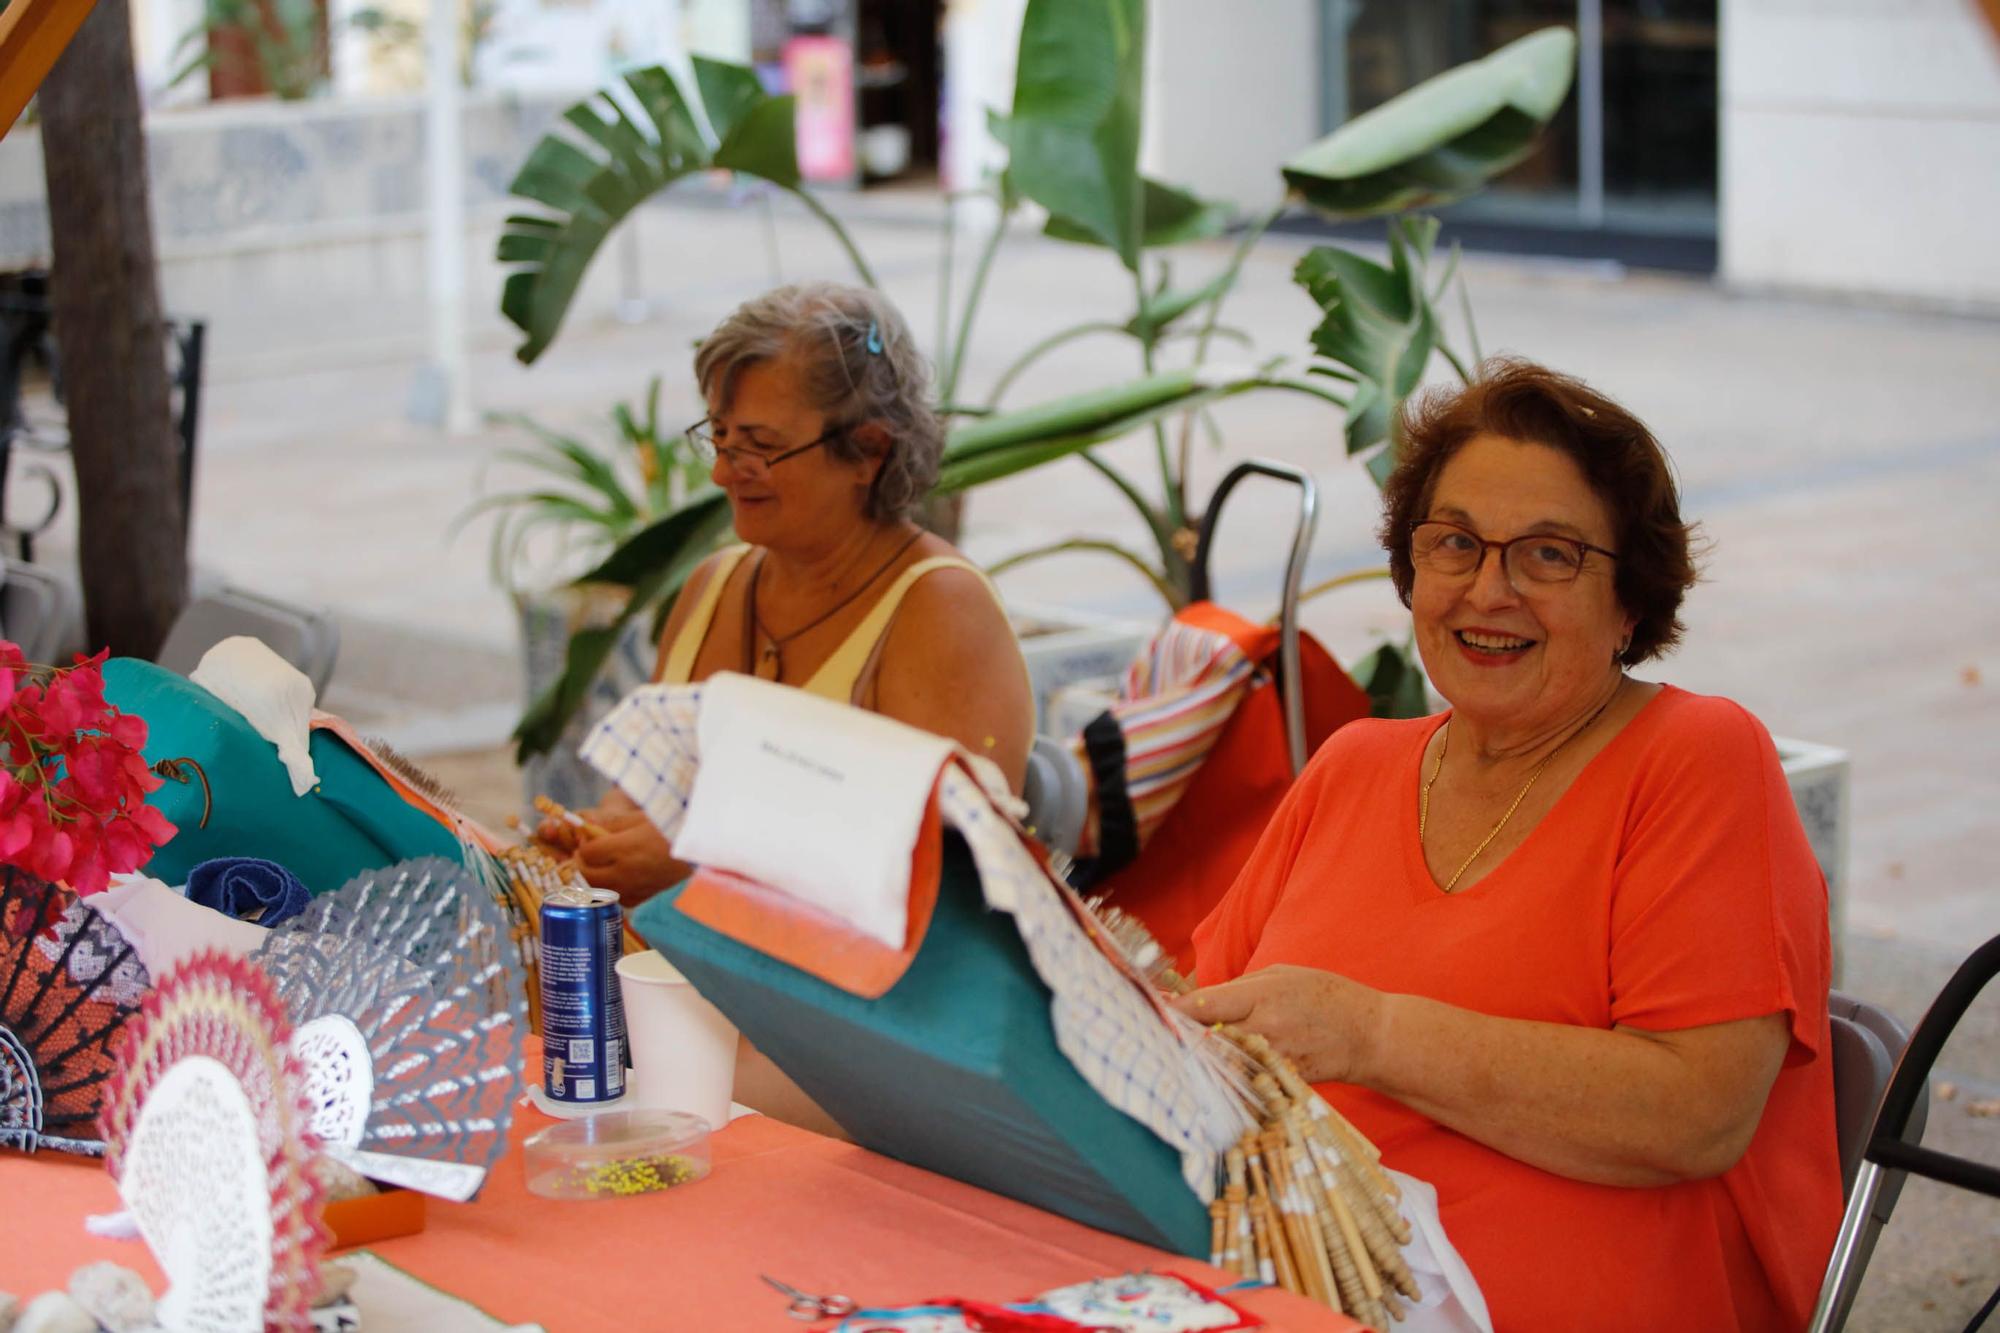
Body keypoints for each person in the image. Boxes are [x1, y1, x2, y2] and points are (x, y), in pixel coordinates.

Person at [1178, 359, 1840, 1331]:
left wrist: (1373, 1035)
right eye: (1454, 544)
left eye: (1548, 555)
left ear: (1628, 604)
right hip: (1292, 1281)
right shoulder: (1352, 765)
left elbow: (1695, 1112)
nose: (1489, 589)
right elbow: (1205, 1039)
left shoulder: (1694, 759)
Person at [553, 282, 1035, 909]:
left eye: (761, 448)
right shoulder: (713, 587)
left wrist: (699, 873)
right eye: (719, 437)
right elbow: (650, 795)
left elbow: (954, 885)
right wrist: (599, 836)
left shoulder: (940, 608)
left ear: (867, 451)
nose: (724, 472)